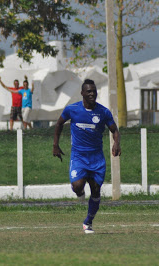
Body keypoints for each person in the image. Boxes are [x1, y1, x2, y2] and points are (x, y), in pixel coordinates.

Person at [52, 79, 121, 234]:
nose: (92, 94)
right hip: (79, 157)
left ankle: (88, 222)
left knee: (96, 191)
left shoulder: (103, 112)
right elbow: (59, 124)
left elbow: (115, 130)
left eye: (94, 91)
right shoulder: (72, 110)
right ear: (82, 93)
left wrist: (116, 143)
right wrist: (55, 145)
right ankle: (80, 193)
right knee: (77, 185)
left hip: (97, 159)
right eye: (89, 91)